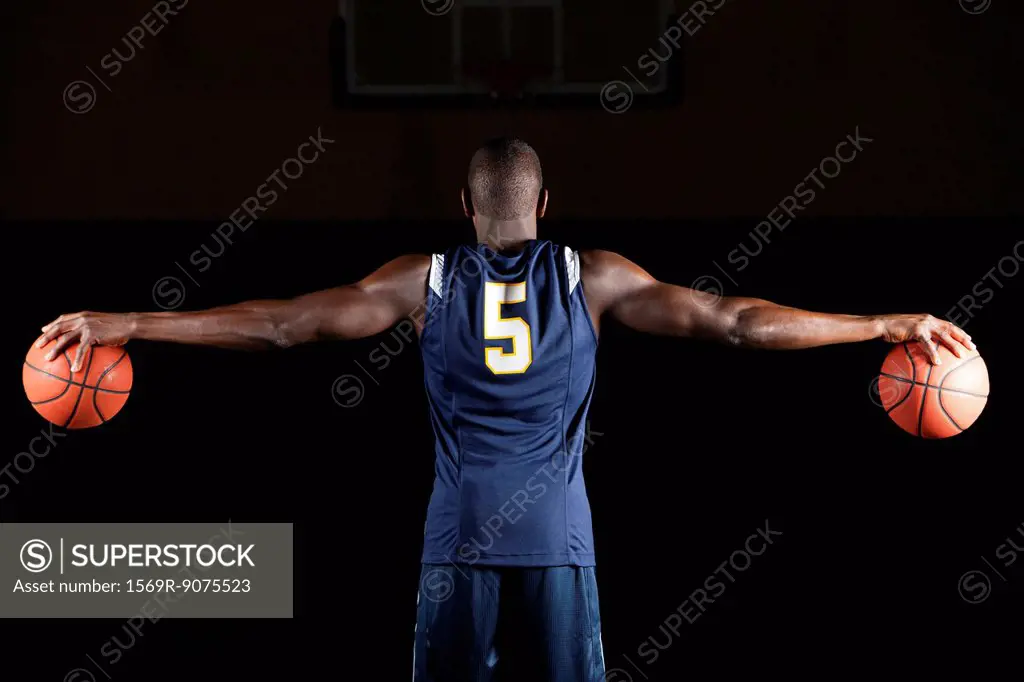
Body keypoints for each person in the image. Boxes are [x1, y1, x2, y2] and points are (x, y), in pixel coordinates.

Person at [36, 137, 974, 682]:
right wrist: (880, 321)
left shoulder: (421, 280)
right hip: (562, 543)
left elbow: (282, 328)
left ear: (465, 204)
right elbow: (740, 325)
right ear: (545, 203)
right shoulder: (593, 277)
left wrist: (134, 321)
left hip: (457, 543)